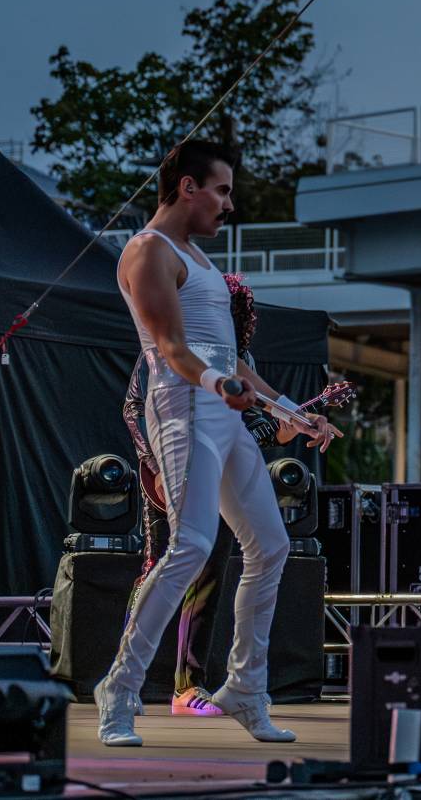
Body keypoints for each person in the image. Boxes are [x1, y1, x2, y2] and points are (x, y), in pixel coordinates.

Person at [95, 139, 336, 747]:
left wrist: (292, 413)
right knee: (192, 545)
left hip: (220, 410)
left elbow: (235, 362)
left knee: (271, 545)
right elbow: (172, 349)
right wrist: (217, 381)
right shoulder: (147, 250)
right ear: (187, 187)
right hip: (182, 409)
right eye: (223, 190)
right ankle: (119, 689)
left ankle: (245, 688)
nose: (229, 204)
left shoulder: (198, 259)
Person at [123, 272, 299, 717]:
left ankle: (190, 686)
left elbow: (252, 423)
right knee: (164, 569)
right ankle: (124, 679)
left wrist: (286, 424)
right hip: (171, 471)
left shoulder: (239, 359)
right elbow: (134, 407)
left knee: (212, 573)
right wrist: (155, 465)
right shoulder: (163, 347)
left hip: (217, 472)